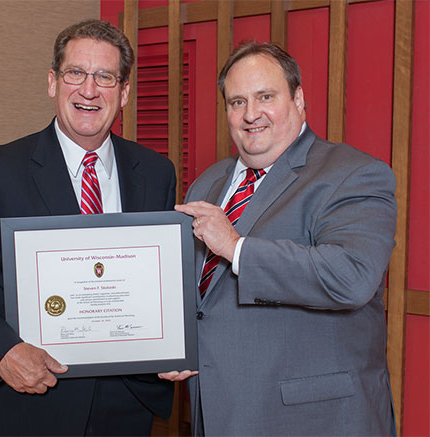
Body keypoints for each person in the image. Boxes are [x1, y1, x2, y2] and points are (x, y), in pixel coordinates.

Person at [0, 19, 176, 436]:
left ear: (124, 91)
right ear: (53, 82)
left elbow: (159, 283)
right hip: (33, 404)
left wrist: (173, 340)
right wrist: (3, 352)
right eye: (75, 73)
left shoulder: (156, 172)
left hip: (128, 407)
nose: (89, 90)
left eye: (105, 77)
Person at [160, 41, 397, 436]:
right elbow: (201, 297)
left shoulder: (353, 174)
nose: (251, 114)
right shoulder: (208, 182)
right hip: (218, 412)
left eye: (265, 97)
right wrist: (174, 344)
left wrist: (235, 247)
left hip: (310, 420)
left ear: (299, 98)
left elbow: (351, 277)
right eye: (237, 102)